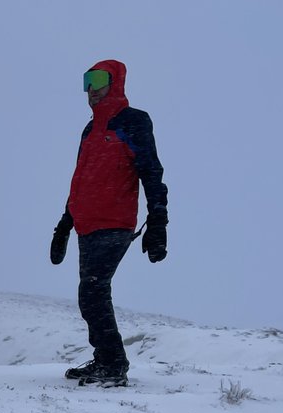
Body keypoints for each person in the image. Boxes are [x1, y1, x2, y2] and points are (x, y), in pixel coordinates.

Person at [49, 59, 168, 387]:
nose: (91, 89)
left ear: (115, 82)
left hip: (114, 223)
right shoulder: (90, 130)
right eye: (86, 81)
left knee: (93, 291)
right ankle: (105, 360)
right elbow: (80, 181)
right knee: (90, 293)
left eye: (98, 80)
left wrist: (158, 222)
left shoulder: (132, 122)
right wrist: (64, 225)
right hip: (87, 225)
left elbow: (151, 172)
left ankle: (114, 365)